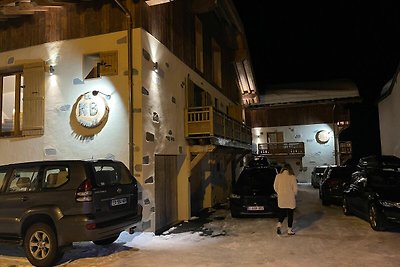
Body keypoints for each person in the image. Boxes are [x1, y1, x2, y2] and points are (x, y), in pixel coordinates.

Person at [273, 163, 298, 235]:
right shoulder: (292, 177)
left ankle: (279, 225)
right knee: (290, 214)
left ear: (283, 169)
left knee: (282, 213)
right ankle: (289, 230)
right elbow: (295, 189)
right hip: (290, 198)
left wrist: (279, 193)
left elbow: (275, 186)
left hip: (281, 197)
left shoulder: (278, 176)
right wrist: (294, 194)